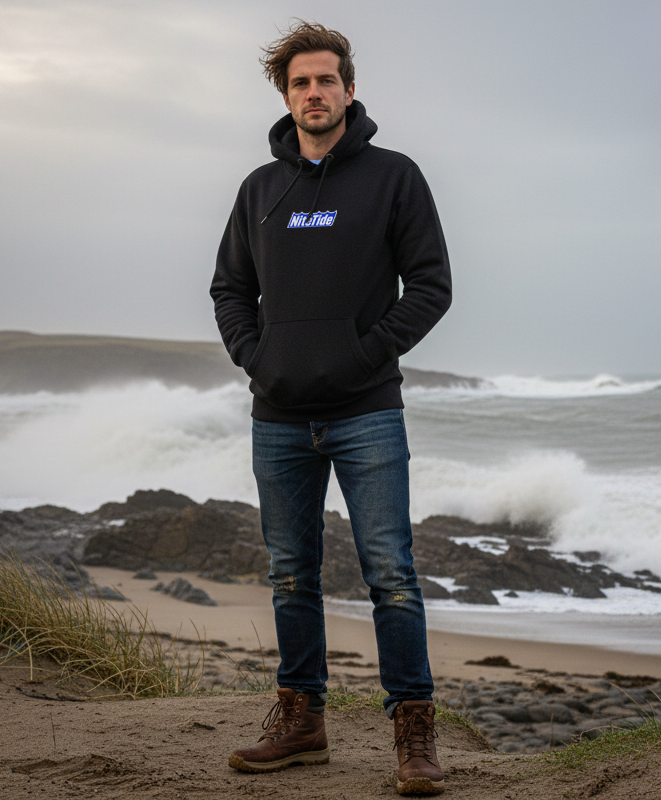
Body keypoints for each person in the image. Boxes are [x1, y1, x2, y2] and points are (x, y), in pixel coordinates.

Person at [210, 21, 451, 796]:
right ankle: (301, 718)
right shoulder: (260, 189)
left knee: (391, 574)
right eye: (300, 84)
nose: (314, 94)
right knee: (290, 575)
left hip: (367, 411)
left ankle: (413, 731)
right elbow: (228, 290)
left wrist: (361, 354)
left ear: (349, 88)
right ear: (286, 96)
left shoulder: (393, 177)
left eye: (326, 80)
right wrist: (259, 358)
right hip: (277, 417)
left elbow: (432, 287)